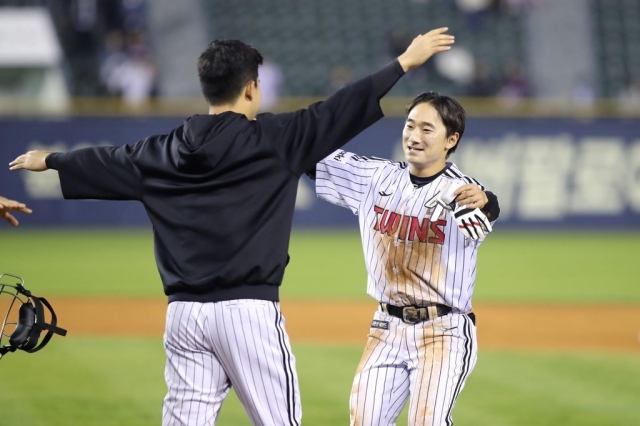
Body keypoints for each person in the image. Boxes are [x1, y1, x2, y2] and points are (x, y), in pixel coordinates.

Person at [9, 29, 455, 426]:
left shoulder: (162, 151)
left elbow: (105, 160)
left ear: (207, 88)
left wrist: (50, 160)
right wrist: (404, 63)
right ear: (251, 87)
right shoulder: (277, 139)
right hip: (248, 314)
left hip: (183, 315)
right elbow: (339, 109)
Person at [310, 92, 499, 425]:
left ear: (450, 139)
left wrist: (487, 200)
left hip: (444, 331)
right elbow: (308, 157)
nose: (414, 136)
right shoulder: (375, 178)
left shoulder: (461, 191)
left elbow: (484, 214)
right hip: (386, 328)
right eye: (410, 125)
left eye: (427, 129)